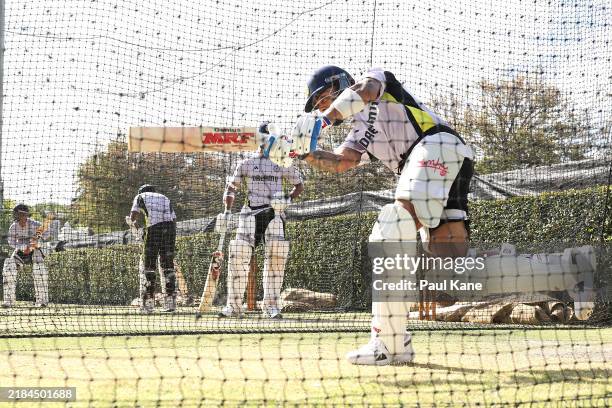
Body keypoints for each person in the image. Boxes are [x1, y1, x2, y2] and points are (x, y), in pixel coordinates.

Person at [283, 65, 475, 365]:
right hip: (448, 157)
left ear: (338, 84)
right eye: (319, 105)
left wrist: (323, 120)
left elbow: (364, 92)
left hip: (433, 144)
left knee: (392, 225)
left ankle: (388, 343)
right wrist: (301, 153)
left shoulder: (373, 82)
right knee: (449, 270)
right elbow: (343, 162)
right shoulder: (360, 131)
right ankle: (568, 271)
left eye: (322, 98)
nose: (321, 106)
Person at [217, 122, 304, 319]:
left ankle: (271, 306)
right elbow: (231, 188)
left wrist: (287, 199)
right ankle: (233, 306)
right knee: (238, 256)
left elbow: (299, 185)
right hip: (250, 214)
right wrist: (227, 206)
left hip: (274, 215)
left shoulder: (283, 162)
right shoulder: (246, 163)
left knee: (276, 259)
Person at [127, 185, 177, 313]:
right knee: (168, 265)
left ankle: (148, 304)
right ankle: (170, 303)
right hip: (170, 230)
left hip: (154, 229)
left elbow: (133, 216)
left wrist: (136, 228)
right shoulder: (165, 197)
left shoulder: (139, 196)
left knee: (149, 265)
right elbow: (174, 218)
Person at [2, 204, 51, 307]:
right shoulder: (13, 227)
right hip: (21, 250)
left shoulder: (35, 224)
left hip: (36, 250)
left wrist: (39, 241)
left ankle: (42, 301)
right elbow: (11, 241)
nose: (20, 217)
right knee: (9, 267)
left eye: (22, 214)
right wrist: (22, 246)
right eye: (18, 214)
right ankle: (9, 301)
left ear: (26, 215)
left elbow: (47, 233)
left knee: (39, 270)